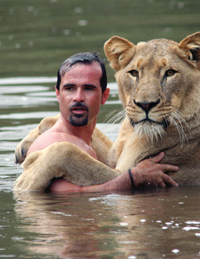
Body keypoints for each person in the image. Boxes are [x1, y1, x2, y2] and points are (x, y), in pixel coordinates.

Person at [26, 52, 178, 192]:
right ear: (58, 94)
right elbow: (66, 197)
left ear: (104, 96)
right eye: (70, 88)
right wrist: (133, 178)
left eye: (88, 88)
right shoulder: (50, 143)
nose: (78, 97)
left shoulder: (93, 144)